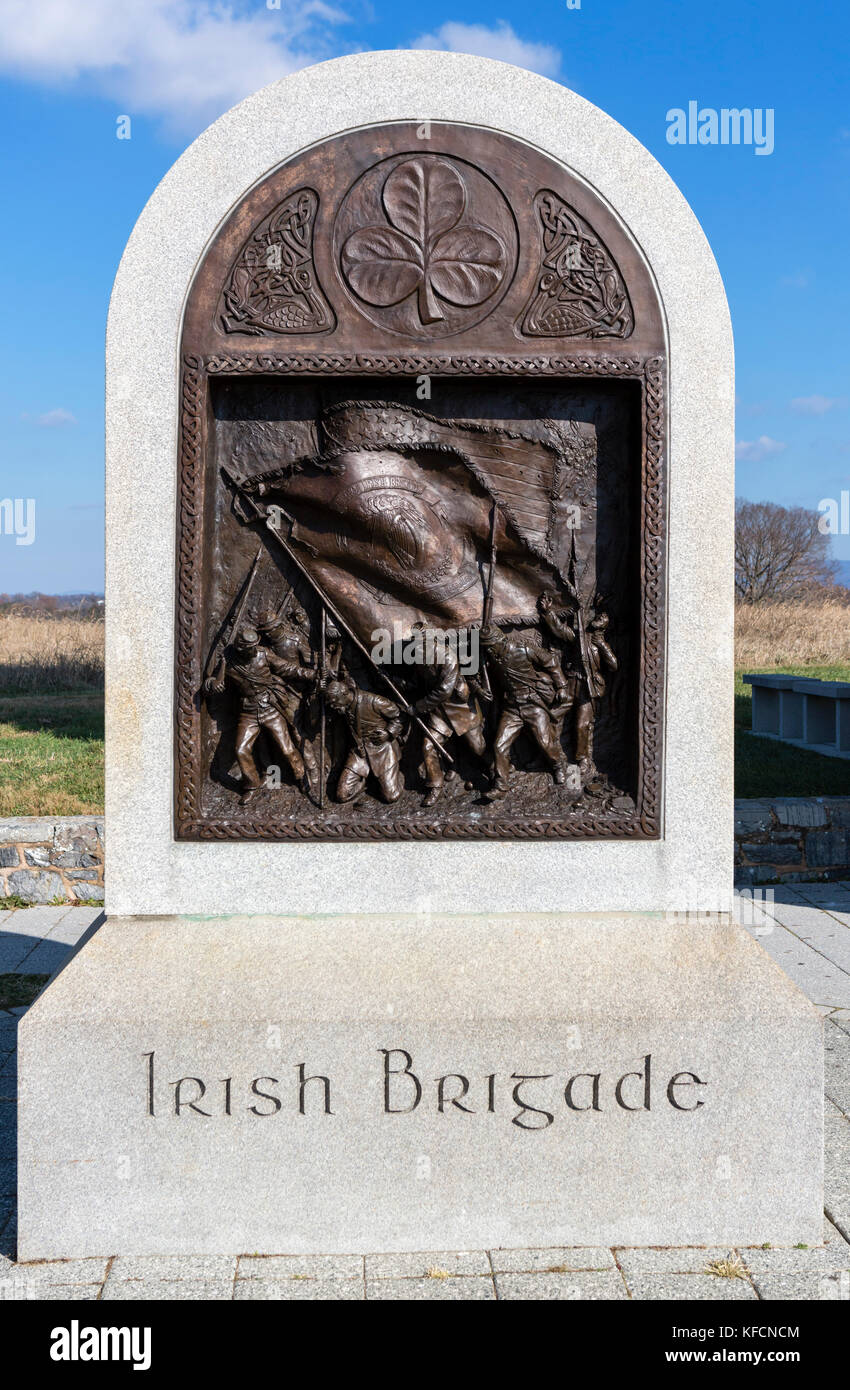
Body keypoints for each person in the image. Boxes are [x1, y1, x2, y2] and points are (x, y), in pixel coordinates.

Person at [205, 626, 314, 804]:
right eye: (250, 647)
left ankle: (302, 779)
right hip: (247, 712)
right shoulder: (229, 661)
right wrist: (212, 684)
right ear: (241, 648)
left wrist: (311, 674)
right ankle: (252, 785)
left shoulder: (263, 654)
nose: (254, 649)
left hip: (270, 708)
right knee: (241, 750)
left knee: (286, 749)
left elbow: (287, 668)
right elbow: (210, 682)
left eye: (255, 645)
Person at [478, 624, 569, 799]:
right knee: (499, 745)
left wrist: (562, 686)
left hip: (532, 704)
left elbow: (551, 662)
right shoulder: (489, 656)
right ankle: (501, 786)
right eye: (486, 648)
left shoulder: (524, 649)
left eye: (491, 647)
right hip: (511, 708)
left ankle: (558, 766)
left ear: (500, 641)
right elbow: (473, 672)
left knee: (545, 743)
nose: (490, 651)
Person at [538, 595, 617, 775]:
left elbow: (613, 665)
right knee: (549, 715)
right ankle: (548, 755)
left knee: (582, 724)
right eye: (598, 616)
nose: (599, 619)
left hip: (587, 689)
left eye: (603, 618)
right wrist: (548, 611)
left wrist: (602, 646)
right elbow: (560, 630)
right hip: (570, 683)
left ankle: (583, 759)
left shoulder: (600, 643)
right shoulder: (580, 638)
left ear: (606, 625)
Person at [411, 624, 487, 807]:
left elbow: (444, 690)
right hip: (438, 711)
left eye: (422, 644)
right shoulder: (419, 656)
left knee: (478, 748)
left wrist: (418, 707)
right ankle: (435, 785)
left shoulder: (447, 656)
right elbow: (418, 682)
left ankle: (498, 771)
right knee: (428, 745)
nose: (418, 648)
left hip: (459, 706)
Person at [257, 601, 319, 788]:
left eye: (270, 630)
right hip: (272, 693)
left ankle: (312, 770)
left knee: (296, 731)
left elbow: (311, 664)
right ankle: (272, 775)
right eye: (264, 631)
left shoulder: (295, 641)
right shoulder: (264, 647)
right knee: (269, 733)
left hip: (294, 693)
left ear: (279, 626)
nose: (267, 634)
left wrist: (316, 675)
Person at [324, 678, 404, 804]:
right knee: (342, 795)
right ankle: (366, 781)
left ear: (345, 694)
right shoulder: (343, 706)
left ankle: (397, 776)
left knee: (391, 797)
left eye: (335, 702)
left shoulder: (374, 701)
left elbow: (399, 716)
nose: (333, 706)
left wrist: (388, 733)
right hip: (358, 753)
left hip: (381, 750)